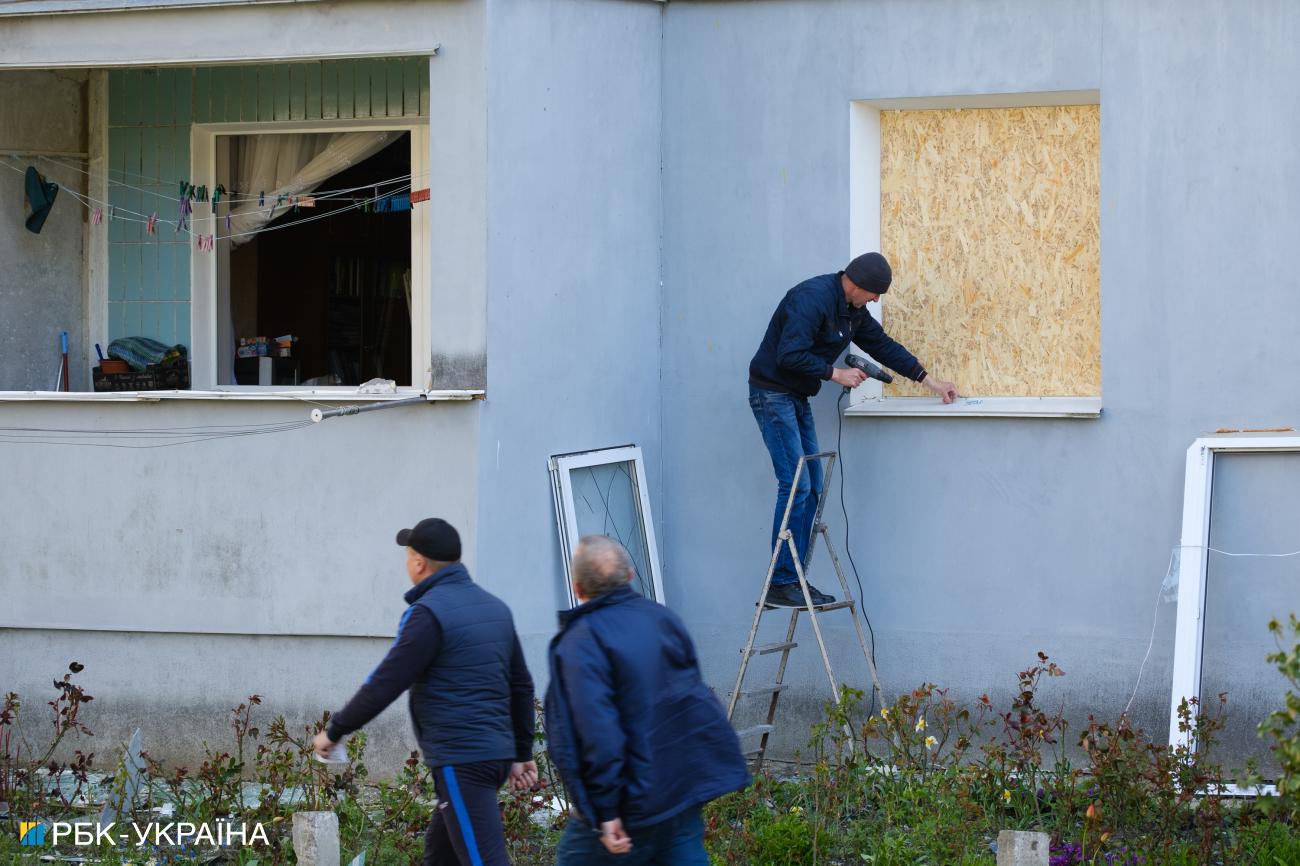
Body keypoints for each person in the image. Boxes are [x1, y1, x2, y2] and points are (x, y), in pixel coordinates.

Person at [312, 518, 537, 866]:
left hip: (462, 759)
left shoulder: (428, 614)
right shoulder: (496, 609)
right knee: (440, 853)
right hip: (493, 756)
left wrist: (335, 730)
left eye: (408, 556)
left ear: (418, 564)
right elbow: (521, 685)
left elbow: (386, 682)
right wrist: (522, 752)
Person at [748, 252, 959, 607]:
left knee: (813, 485)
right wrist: (836, 374)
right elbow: (788, 354)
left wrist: (930, 381)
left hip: (796, 396)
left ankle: (793, 579)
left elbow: (883, 347)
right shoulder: (812, 298)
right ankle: (781, 582)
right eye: (875, 293)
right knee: (796, 483)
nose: (876, 300)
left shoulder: (853, 312)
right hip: (772, 395)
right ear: (857, 284)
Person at [545, 535, 750, 865]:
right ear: (630, 576)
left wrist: (606, 810)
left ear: (578, 588)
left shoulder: (581, 642)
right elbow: (691, 701)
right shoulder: (662, 618)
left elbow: (598, 733)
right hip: (678, 791)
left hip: (628, 806)